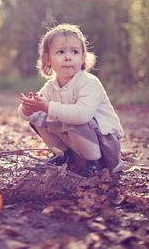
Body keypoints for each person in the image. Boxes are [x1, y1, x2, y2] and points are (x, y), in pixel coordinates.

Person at [18, 23, 124, 176]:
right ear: (48, 59)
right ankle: (63, 156)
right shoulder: (50, 87)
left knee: (72, 118)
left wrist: (47, 107)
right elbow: (28, 113)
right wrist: (28, 108)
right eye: (60, 52)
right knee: (37, 116)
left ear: (82, 57)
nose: (68, 57)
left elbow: (82, 115)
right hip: (79, 143)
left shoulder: (89, 82)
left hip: (104, 147)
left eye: (74, 52)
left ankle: (94, 164)